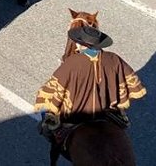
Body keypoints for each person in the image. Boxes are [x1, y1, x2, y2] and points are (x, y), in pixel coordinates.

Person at [35, 24, 147, 153]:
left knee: (48, 123)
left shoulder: (73, 62)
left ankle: (55, 142)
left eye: (78, 43)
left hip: (78, 113)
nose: (76, 45)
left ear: (83, 45)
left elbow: (54, 88)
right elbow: (129, 81)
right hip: (105, 110)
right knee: (121, 119)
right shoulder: (114, 58)